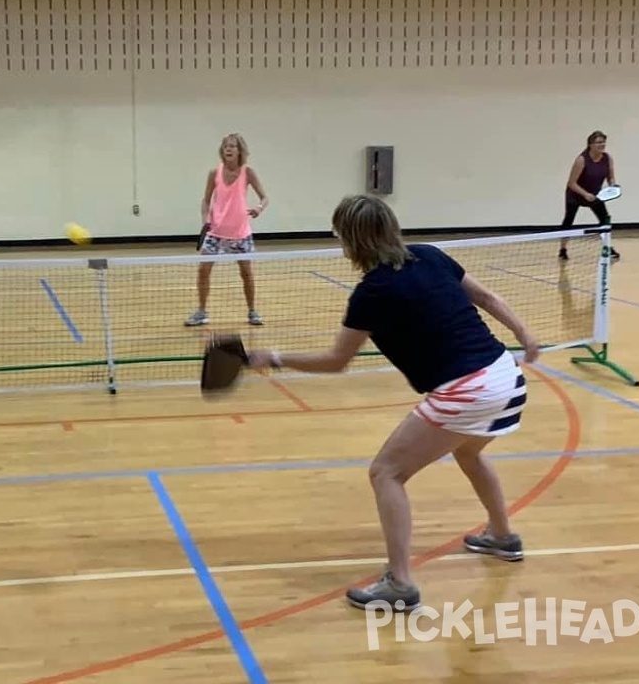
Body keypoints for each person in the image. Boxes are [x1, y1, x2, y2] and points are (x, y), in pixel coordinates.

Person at [244, 194, 541, 612]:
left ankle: (400, 582)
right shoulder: (430, 256)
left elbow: (336, 362)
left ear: (352, 242)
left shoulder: (373, 292)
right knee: (470, 453)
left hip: (467, 389)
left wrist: (273, 358)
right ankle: (502, 536)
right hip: (505, 376)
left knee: (387, 472)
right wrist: (526, 334)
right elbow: (488, 298)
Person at [184, 133, 269, 328]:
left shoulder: (248, 172)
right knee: (203, 271)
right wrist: (205, 220)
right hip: (215, 232)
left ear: (240, 151)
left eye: (233, 146)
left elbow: (265, 197)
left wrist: (258, 208)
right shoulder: (214, 173)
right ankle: (202, 312)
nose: (229, 149)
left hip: (240, 233)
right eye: (225, 146)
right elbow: (206, 200)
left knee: (246, 273)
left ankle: (252, 311)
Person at [559, 130, 620, 261]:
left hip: (595, 195)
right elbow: (571, 183)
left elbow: (611, 177)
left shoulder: (607, 158)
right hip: (576, 194)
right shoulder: (581, 160)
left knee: (605, 219)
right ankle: (563, 249)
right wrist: (585, 194)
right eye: (599, 142)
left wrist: (613, 186)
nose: (602, 145)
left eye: (603, 142)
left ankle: (608, 247)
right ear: (590, 144)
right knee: (568, 221)